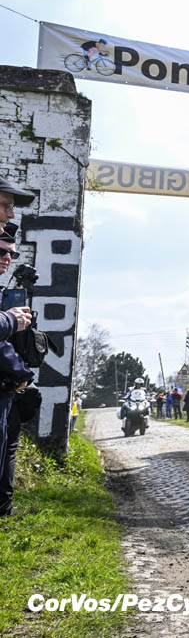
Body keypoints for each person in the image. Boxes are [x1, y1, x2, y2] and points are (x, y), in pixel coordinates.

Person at [0, 221, 35, 518]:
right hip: (6, 382)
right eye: (0, 251)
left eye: (10, 253)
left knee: (8, 449)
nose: (6, 258)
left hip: (8, 389)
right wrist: (21, 372)